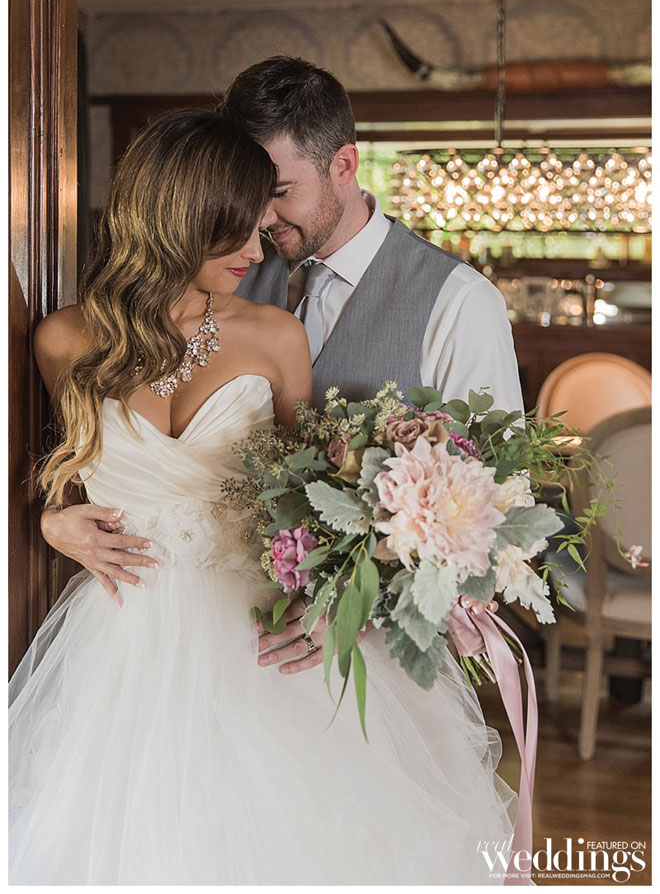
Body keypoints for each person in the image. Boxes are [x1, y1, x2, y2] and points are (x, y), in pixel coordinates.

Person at [10, 109, 515, 884]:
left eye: (259, 227)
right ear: (178, 221)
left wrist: (325, 600)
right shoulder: (60, 340)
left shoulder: (277, 335)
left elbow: (309, 501)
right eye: (236, 232)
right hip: (121, 643)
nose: (257, 249)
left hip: (261, 637)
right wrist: (53, 524)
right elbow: (60, 483)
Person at [41, 55, 525, 678]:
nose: (261, 225)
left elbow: (494, 516)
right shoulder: (223, 269)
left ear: (343, 165)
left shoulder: (458, 302)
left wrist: (354, 601)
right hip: (157, 636)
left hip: (354, 658)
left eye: (275, 194)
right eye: (244, 202)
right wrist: (52, 522)